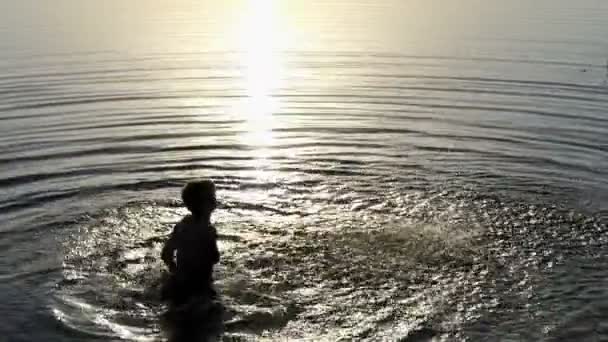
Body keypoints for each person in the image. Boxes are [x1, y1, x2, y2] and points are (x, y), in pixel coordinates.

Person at [161, 180, 220, 306]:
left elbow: (166, 253)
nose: (215, 200)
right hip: (201, 286)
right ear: (209, 204)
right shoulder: (209, 231)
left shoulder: (181, 226)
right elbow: (215, 258)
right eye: (212, 197)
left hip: (179, 281)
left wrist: (174, 269)